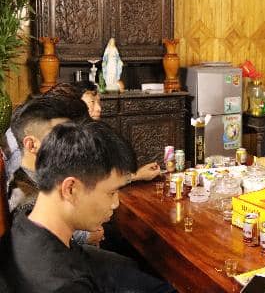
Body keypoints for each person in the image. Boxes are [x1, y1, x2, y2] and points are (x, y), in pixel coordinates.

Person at [7, 120, 175, 292]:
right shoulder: (64, 284)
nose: (115, 203)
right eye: (111, 193)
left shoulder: (22, 223)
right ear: (70, 189)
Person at [6, 95, 103, 246]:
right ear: (32, 145)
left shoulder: (46, 177)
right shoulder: (27, 201)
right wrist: (87, 234)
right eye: (59, 136)